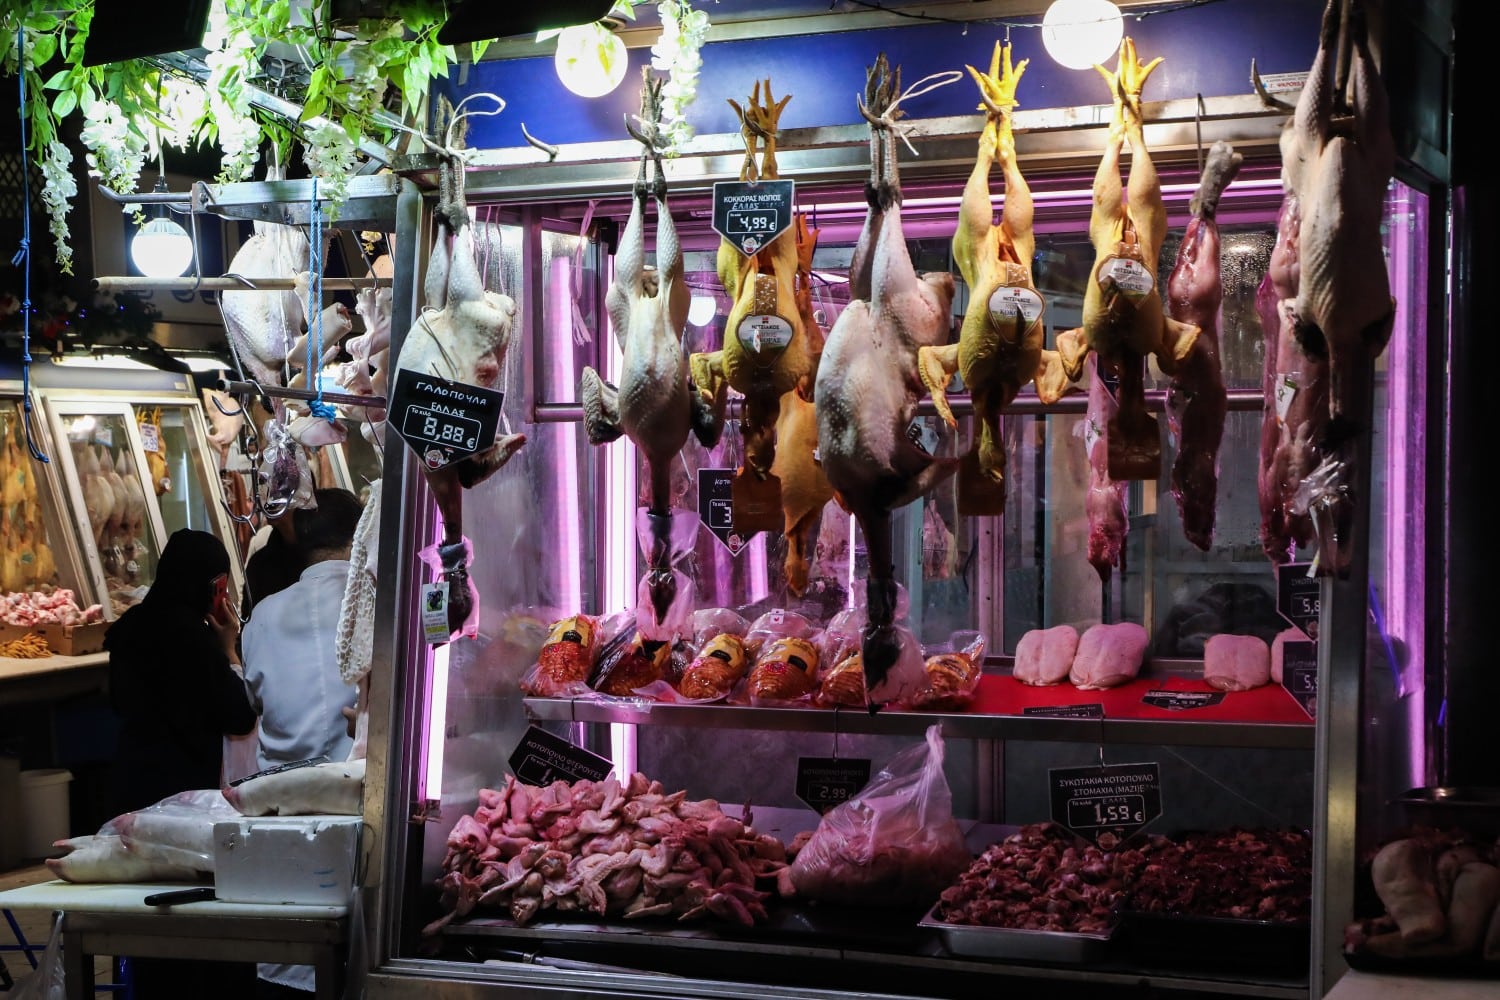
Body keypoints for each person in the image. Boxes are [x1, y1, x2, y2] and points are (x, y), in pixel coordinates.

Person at [104, 527, 259, 1000]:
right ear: (215, 588)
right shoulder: (193, 639)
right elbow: (238, 716)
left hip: (131, 786)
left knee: (141, 911)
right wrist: (229, 648)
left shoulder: (130, 629)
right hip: (183, 798)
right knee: (185, 915)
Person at [240, 487, 363, 999]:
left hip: (281, 824)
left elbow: (253, 701)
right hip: (359, 820)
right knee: (354, 961)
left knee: (290, 961)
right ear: (359, 539)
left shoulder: (264, 616)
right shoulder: (380, 607)